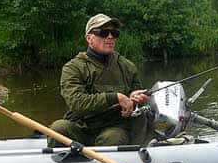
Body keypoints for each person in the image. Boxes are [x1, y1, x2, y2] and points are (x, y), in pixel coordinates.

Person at [49, 13, 150, 147]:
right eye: (103, 32)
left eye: (114, 33)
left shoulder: (127, 67)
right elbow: (77, 103)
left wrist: (135, 100)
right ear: (89, 38)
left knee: (113, 138)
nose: (110, 36)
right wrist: (115, 97)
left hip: (114, 128)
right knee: (58, 128)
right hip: (81, 128)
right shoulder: (72, 68)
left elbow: (137, 105)